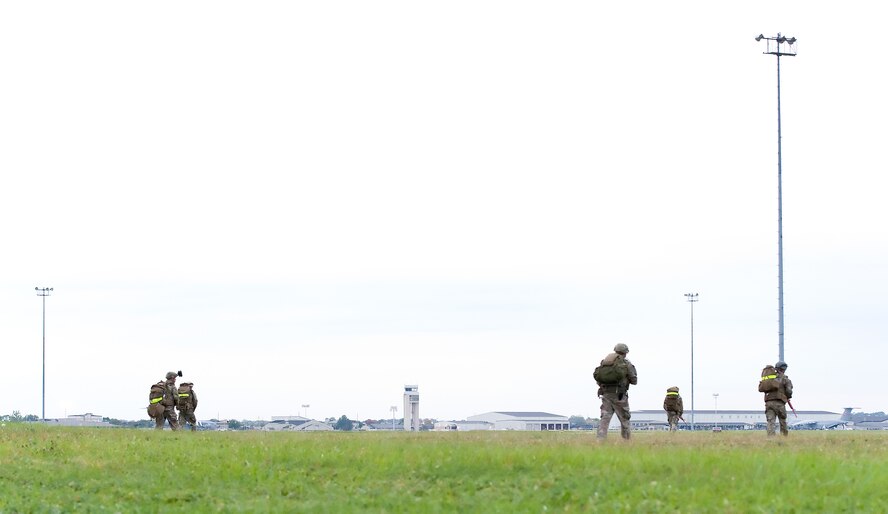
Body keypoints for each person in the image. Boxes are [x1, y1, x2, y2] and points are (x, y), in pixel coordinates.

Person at [595, 343, 638, 440]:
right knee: (624, 419)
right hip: (620, 395)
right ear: (625, 353)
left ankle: (600, 441)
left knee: (605, 418)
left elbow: (599, 378)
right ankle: (626, 441)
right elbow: (634, 380)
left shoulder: (605, 363)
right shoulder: (626, 363)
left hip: (606, 394)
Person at [764, 360, 793, 436]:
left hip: (768, 403)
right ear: (784, 369)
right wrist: (788, 396)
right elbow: (789, 391)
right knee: (782, 421)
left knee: (770, 421)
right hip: (779, 403)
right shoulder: (785, 379)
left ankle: (770, 438)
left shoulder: (769, 378)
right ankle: (784, 437)